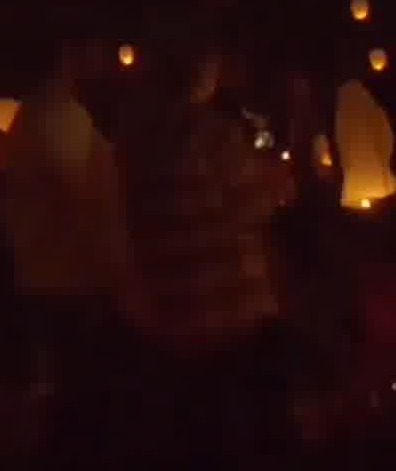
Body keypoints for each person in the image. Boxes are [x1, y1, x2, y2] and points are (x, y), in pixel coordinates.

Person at [113, 38, 289, 468]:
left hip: (172, 309)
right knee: (242, 429)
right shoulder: (214, 135)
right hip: (228, 308)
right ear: (201, 76)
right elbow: (257, 205)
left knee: (197, 432)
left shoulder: (133, 145)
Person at [0, 32, 133, 448]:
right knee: (78, 398)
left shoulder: (39, 117)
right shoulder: (56, 117)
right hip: (69, 279)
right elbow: (81, 198)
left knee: (67, 391)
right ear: (69, 57)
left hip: (48, 274)